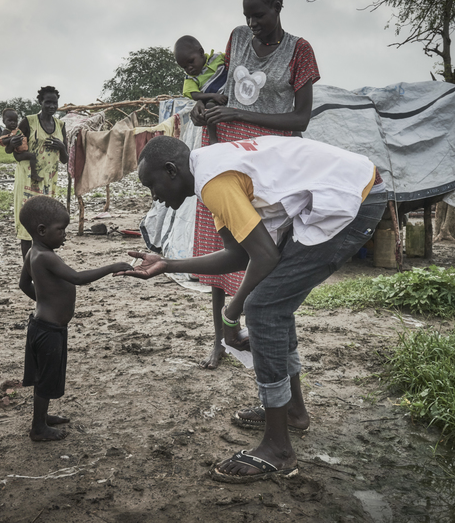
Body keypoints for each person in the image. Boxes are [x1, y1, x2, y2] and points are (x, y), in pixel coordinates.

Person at [122, 135, 386, 482]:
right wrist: (167, 264)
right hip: (352, 188)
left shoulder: (214, 180)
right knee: (271, 304)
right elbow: (239, 254)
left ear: (171, 171)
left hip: (354, 199)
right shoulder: (207, 174)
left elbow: (264, 256)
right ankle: (292, 411)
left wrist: (230, 316)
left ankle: (278, 450)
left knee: (264, 309)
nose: (153, 196)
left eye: (152, 185)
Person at [190, 0, 321, 370]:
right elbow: (226, 90)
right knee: (224, 244)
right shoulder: (237, 38)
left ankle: (263, 341)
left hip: (270, 166)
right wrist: (207, 108)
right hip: (225, 155)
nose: (252, 24)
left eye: (259, 16)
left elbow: (301, 119)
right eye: (247, 16)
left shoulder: (299, 51)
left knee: (266, 253)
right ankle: (220, 340)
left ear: (278, 8)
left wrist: (239, 114)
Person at [18, 196, 131, 441]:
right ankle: (38, 428)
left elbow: (23, 284)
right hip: (49, 330)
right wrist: (112, 267)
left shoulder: (32, 253)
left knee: (43, 376)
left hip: (41, 325)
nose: (65, 235)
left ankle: (42, 417)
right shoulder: (47, 257)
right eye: (61, 230)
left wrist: (43, 301)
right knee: (47, 378)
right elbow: (77, 278)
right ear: (41, 230)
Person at [11, 86, 69, 261]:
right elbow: (16, 153)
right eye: (48, 102)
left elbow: (65, 159)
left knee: (47, 223)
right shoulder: (28, 122)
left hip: (49, 180)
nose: (52, 106)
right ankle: (29, 269)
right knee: (28, 225)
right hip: (28, 180)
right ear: (40, 103)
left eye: (55, 103)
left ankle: (43, 264)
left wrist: (61, 147)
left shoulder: (60, 125)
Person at [174, 35, 228, 106]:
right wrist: (213, 96)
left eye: (191, 61)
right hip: (215, 100)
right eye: (184, 67)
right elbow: (195, 95)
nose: (189, 68)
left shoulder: (218, 58)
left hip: (233, 89)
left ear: (201, 53)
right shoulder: (191, 78)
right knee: (209, 106)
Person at [0, 107, 40, 183]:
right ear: (4, 121)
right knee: (33, 156)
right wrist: (11, 139)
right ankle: (34, 174)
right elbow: (3, 141)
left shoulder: (17, 130)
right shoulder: (6, 132)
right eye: (10, 120)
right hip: (19, 154)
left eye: (15, 121)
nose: (13, 123)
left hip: (22, 150)